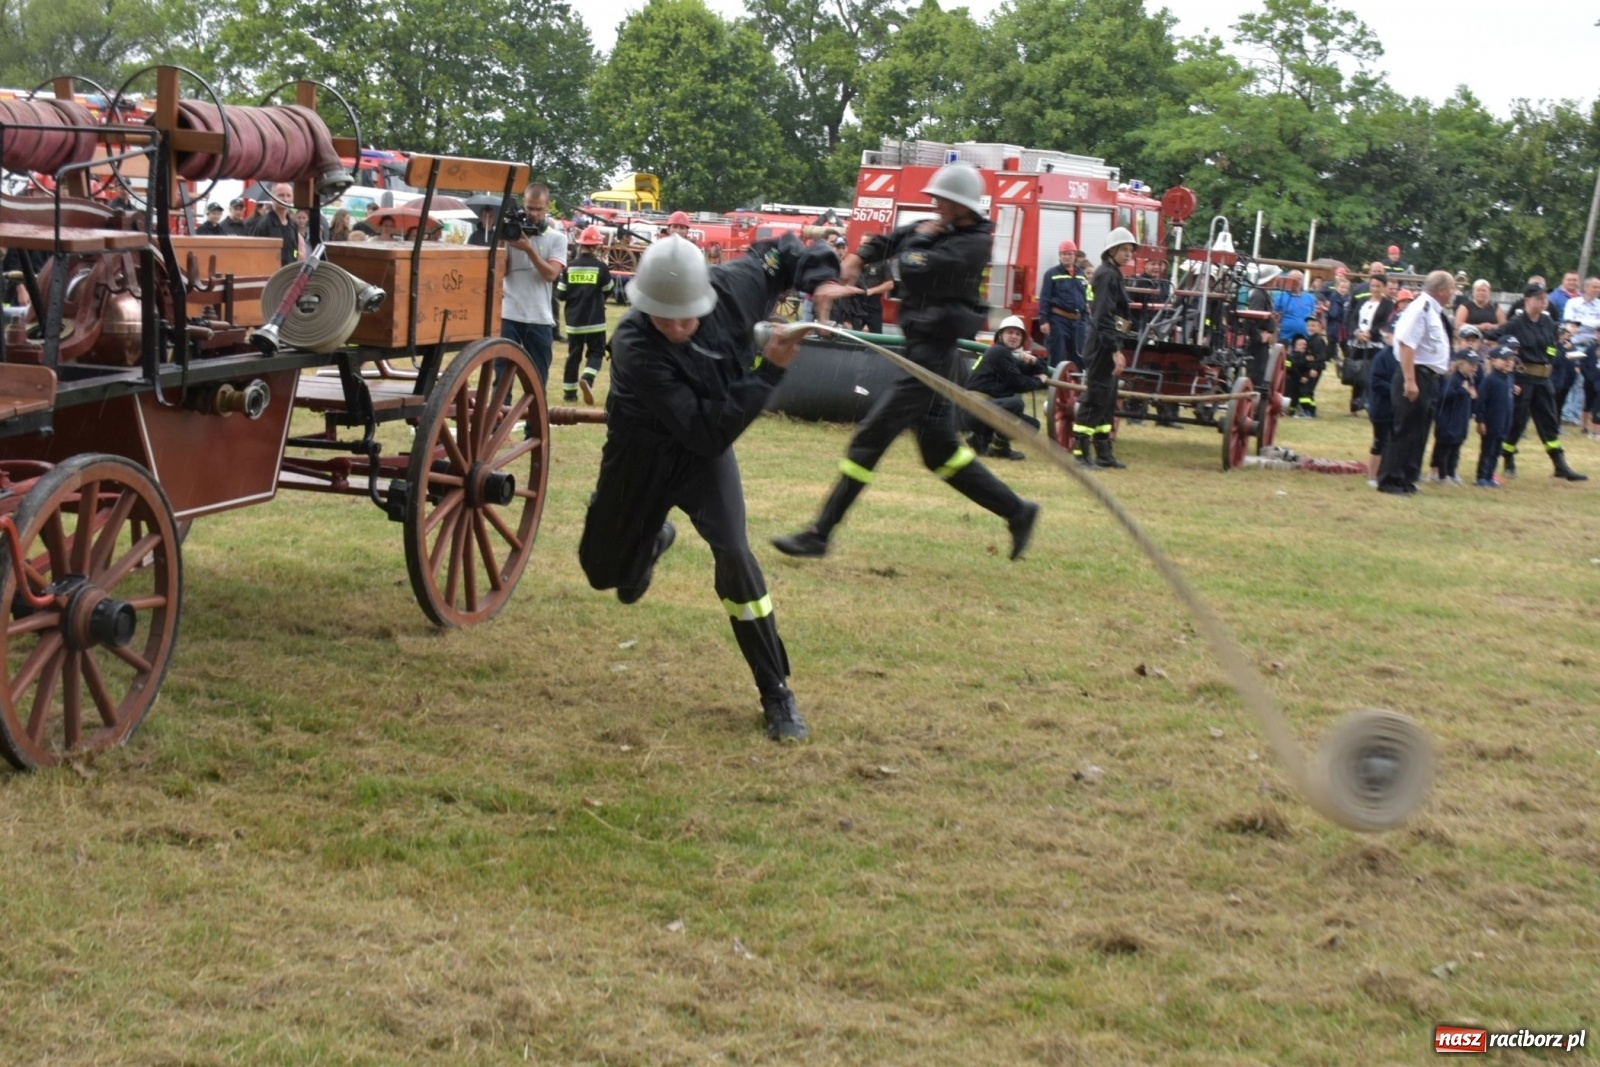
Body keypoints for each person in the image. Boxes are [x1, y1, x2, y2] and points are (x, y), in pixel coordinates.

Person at [578, 234, 847, 743]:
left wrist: (821, 282)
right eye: (665, 318)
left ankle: (776, 693)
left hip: (704, 459)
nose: (678, 329)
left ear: (707, 297)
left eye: (688, 317)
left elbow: (784, 251)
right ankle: (652, 538)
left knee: (735, 554)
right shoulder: (634, 346)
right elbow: (705, 428)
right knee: (602, 573)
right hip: (645, 455)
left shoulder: (735, 288)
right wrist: (769, 372)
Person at [771, 162, 1040, 560]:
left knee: (869, 439)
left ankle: (820, 533)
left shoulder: (974, 243)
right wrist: (858, 257)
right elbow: (887, 241)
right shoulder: (938, 228)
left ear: (962, 205)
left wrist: (915, 244)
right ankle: (1018, 511)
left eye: (942, 200)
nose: (934, 205)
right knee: (941, 454)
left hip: (932, 357)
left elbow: (917, 267)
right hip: (924, 351)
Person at [1486, 283, 1588, 481]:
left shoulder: (1548, 323)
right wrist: (1507, 357)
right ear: (1528, 300)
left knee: (1549, 421)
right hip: (1523, 379)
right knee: (1517, 422)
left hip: (1543, 380)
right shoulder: (1516, 323)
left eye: (1545, 298)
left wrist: (1554, 351)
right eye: (1539, 298)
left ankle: (1560, 465)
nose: (1544, 301)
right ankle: (1507, 458)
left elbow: (1551, 347)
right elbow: (1492, 337)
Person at [1376, 275, 1455, 495]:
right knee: (1405, 429)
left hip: (1429, 377)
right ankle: (1390, 479)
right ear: (1440, 290)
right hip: (1415, 375)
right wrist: (1410, 381)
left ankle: (1407, 479)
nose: (1453, 293)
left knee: (1418, 431)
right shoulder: (1421, 308)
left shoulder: (1433, 311)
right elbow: (1406, 344)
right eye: (1451, 289)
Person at [1071, 226, 1139, 469]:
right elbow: (1103, 316)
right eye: (1124, 249)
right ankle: (1080, 451)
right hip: (1102, 347)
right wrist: (1114, 349)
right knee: (1095, 397)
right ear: (1112, 251)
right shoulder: (1107, 275)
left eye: (1131, 250)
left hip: (1108, 343)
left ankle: (1103, 451)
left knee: (1107, 400)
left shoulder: (1113, 273)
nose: (1129, 253)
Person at [500, 182, 566, 386]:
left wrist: (529, 250)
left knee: (537, 382)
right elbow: (501, 272)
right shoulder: (510, 235)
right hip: (509, 314)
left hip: (539, 317)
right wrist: (503, 241)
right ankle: (499, 418)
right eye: (529, 208)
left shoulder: (557, 239)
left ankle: (534, 419)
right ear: (523, 206)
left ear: (547, 207)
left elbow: (551, 275)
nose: (533, 214)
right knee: (501, 379)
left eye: (539, 209)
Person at [964, 315, 1047, 459]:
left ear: (1022, 338)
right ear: (1000, 335)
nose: (1014, 336)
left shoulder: (1007, 356)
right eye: (1010, 332)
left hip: (984, 409)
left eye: (1018, 333)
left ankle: (980, 440)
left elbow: (1041, 370)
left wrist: (1033, 362)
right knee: (1015, 403)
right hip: (973, 409)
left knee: (1032, 425)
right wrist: (1038, 381)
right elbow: (1019, 384)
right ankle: (999, 447)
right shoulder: (998, 352)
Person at [555, 226, 614, 405]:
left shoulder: (570, 268)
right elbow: (608, 289)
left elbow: (560, 294)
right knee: (596, 352)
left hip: (574, 322)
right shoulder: (601, 267)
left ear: (580, 246)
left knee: (574, 355)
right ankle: (587, 379)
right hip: (595, 321)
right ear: (596, 247)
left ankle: (569, 394)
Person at [1343, 271, 1393, 414]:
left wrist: (1370, 334)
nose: (1375, 289)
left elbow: (1385, 323)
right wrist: (1357, 332)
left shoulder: (1388, 304)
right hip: (1359, 343)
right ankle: (1354, 406)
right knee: (1357, 374)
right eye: (1373, 285)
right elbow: (1352, 318)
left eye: (1378, 286)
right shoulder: (1363, 301)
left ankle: (1372, 405)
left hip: (1375, 344)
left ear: (1384, 287)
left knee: (1373, 375)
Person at [1038, 239, 1090, 368]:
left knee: (1079, 356)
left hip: (1078, 322)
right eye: (1063, 254)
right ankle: (1055, 385)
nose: (1066, 257)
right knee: (1057, 355)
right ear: (1059, 256)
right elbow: (1045, 298)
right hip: (1058, 320)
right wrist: (1044, 321)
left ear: (1075, 255)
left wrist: (1085, 320)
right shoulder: (1051, 274)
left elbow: (1084, 299)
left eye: (1069, 254)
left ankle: (1076, 384)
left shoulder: (1081, 275)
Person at [1429, 350, 1478, 485]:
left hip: (1460, 421)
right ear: (1460, 364)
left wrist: (1472, 395)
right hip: (1448, 420)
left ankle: (1452, 472)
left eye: (1475, 365)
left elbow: (1470, 397)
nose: (1474, 368)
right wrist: (1463, 391)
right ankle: (1442, 475)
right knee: (1445, 448)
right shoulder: (1452, 378)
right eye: (1471, 364)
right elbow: (1445, 396)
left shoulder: (1468, 380)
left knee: (1456, 448)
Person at [1559, 276, 1600, 427]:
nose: (1598, 290)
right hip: (1574, 345)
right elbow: (1570, 322)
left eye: (1599, 287)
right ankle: (1566, 414)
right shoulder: (1573, 303)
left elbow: (1581, 323)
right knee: (1571, 378)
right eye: (1595, 287)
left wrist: (1581, 322)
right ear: (1586, 287)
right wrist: (1592, 324)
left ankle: (1575, 415)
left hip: (1592, 347)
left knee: (1586, 381)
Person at [1474, 345, 1517, 487]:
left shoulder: (1509, 379)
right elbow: (1481, 402)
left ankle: (1490, 475)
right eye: (1504, 359)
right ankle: (1482, 476)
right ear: (1493, 361)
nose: (1509, 362)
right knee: (1487, 450)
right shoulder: (1490, 380)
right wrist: (1481, 420)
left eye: (1511, 359)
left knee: (1496, 451)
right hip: (1491, 421)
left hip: (1504, 422)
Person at [1365, 320, 1398, 487]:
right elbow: (1376, 381)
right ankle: (1371, 476)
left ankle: (1386, 472)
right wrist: (1396, 389)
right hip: (1381, 407)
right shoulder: (1382, 357)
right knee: (1380, 441)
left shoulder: (1404, 356)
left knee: (1393, 442)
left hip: (1397, 408)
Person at [248, 183, 300, 266]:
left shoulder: (293, 225)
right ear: (271, 197)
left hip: (289, 273)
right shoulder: (263, 225)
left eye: (288, 195)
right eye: (281, 195)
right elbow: (254, 253)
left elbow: (295, 251)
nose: (285, 199)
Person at [1294, 317, 1331, 417]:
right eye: (1308, 326)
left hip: (1314, 369)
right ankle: (1311, 410)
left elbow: (1320, 357)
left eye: (1313, 326)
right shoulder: (1310, 339)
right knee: (1307, 390)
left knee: (1306, 390)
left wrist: (1314, 368)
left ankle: (1308, 412)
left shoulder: (1318, 340)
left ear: (1319, 327)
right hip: (1309, 368)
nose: (1310, 328)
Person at [1273, 270, 1317, 343]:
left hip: (1305, 341)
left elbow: (1313, 317)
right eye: (1293, 280)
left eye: (1299, 279)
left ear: (1302, 281)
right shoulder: (1280, 298)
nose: (1296, 282)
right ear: (1288, 281)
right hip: (1286, 340)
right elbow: (1275, 320)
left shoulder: (1310, 298)